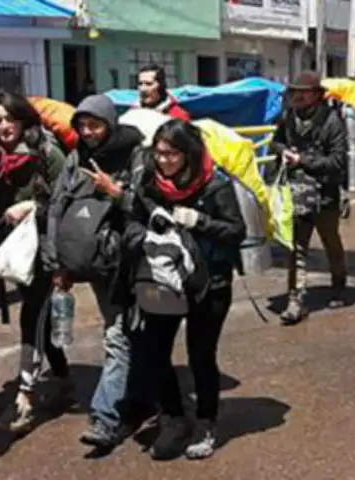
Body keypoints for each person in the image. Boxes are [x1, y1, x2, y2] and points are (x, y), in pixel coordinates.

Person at [129, 119, 246, 460]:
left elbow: (236, 231)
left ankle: (207, 423)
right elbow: (132, 222)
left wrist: (200, 222)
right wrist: (147, 232)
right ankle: (174, 417)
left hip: (209, 284)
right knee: (154, 349)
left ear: (189, 153)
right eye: (159, 153)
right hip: (161, 277)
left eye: (171, 154)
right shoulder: (149, 182)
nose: (163, 161)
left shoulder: (215, 184)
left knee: (200, 356)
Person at [42, 94, 147, 449]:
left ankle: (107, 417)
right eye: (82, 125)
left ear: (109, 123)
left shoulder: (134, 155)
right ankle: (135, 400)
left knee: (121, 335)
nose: (87, 132)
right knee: (123, 334)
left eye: (95, 125)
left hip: (128, 262)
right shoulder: (75, 158)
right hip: (90, 263)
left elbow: (148, 207)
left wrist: (116, 192)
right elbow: (57, 209)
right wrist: (58, 263)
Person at [0, 90, 73, 434]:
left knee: (32, 319)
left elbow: (67, 201)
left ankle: (24, 399)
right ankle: (63, 381)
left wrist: (32, 206)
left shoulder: (47, 152)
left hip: (47, 252)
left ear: (23, 119)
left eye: (8, 118)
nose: (2, 126)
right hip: (19, 255)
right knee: (43, 324)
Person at [270, 71, 348, 325]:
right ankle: (296, 299)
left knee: (330, 242)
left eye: (302, 92)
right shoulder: (288, 117)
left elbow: (337, 162)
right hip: (296, 193)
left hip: (325, 195)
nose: (297, 97)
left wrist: (302, 160)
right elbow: (276, 142)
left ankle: (338, 283)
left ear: (316, 95)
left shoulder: (332, 122)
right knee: (297, 247)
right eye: (293, 92)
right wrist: (283, 152)